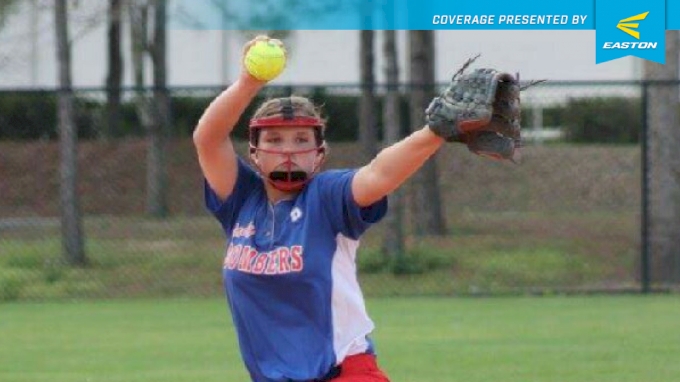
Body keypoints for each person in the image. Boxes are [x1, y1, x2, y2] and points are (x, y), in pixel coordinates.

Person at [193, 36, 449, 382]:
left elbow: (379, 173)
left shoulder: (327, 197)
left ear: (319, 153)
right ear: (254, 152)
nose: (288, 150)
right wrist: (249, 81)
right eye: (274, 140)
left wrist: (434, 132)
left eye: (301, 140)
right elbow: (208, 138)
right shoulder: (241, 201)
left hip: (344, 373)